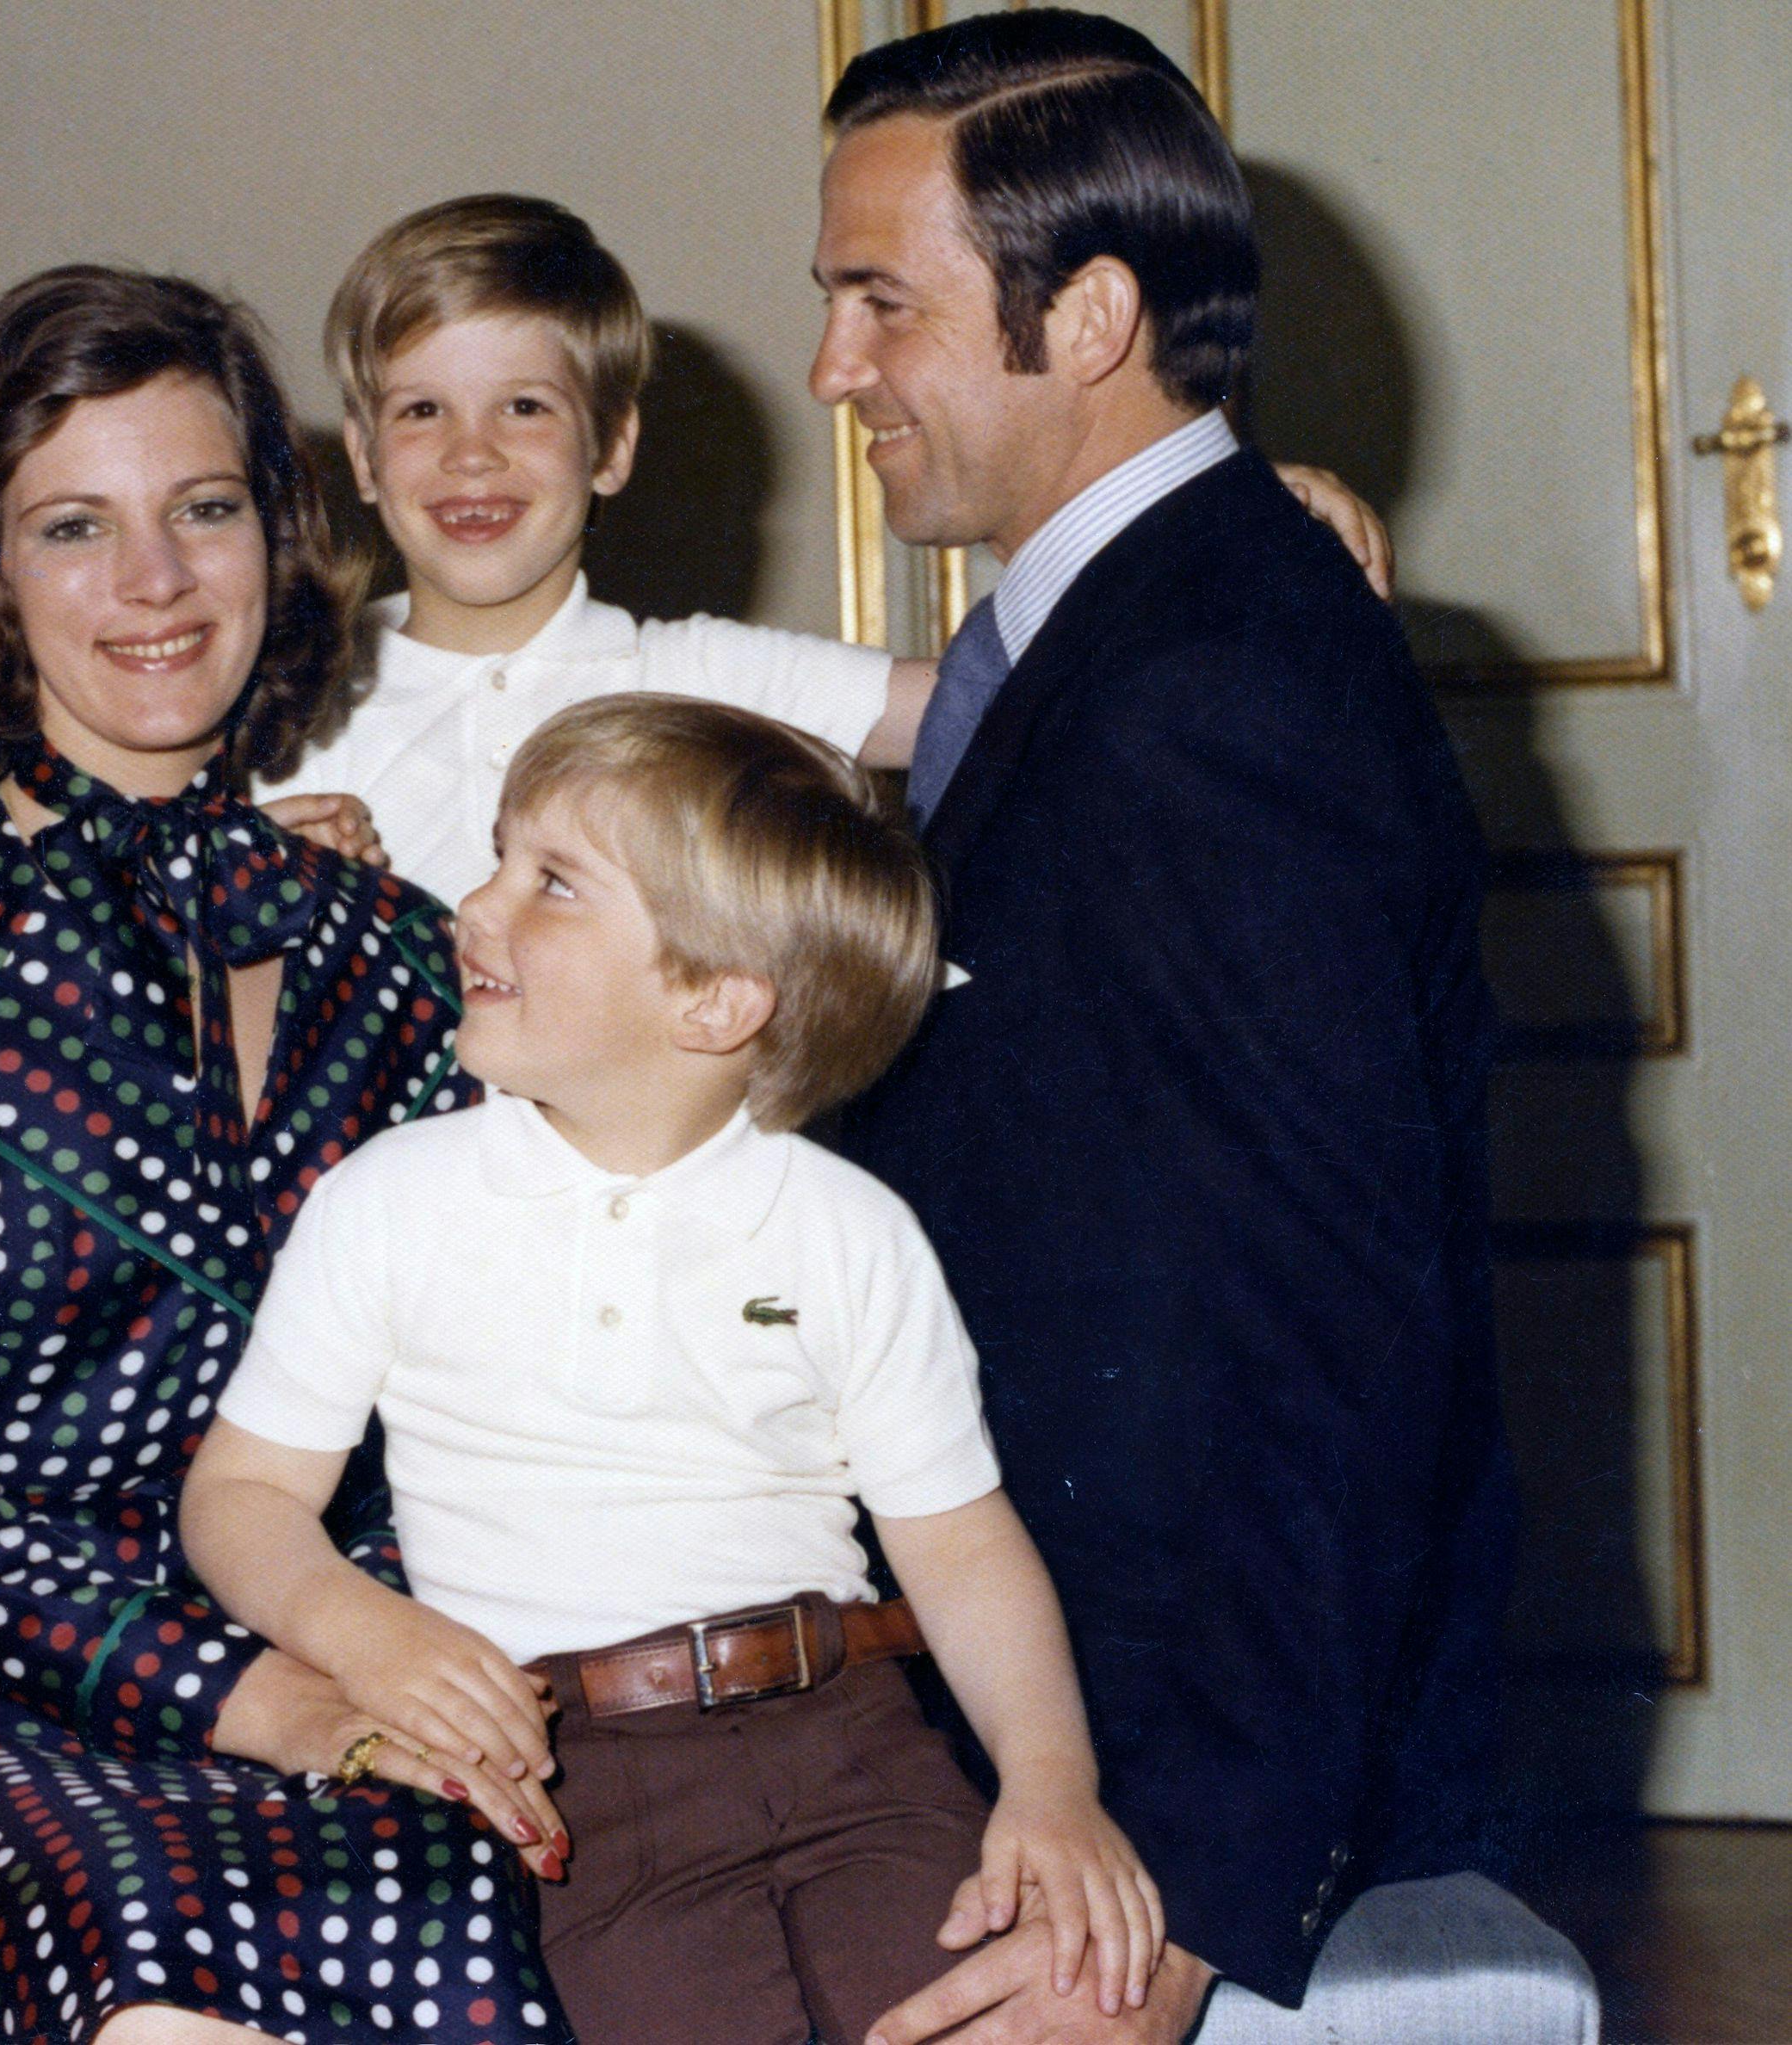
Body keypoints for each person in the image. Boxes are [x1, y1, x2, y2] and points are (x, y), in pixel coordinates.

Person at [805, 13, 1597, 2042]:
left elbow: (1320, 1338)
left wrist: (1170, 1894)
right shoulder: (1144, 615)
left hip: (1173, 1773)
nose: (835, 369)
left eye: (878, 303)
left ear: (1085, 316)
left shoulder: (1212, 685)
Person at [0, 265, 567, 2045]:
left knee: (557, 1911)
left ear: (277, 535)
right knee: (151, 1964)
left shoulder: (395, 947)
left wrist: (390, 1661)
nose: (153, 583)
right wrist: (254, 1693)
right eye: (70, 527)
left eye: (201, 510)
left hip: (365, 1648)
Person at [187, 694, 1171, 2045]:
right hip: (573, 1780)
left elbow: (957, 1542)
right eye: (496, 855)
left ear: (712, 1002)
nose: (471, 905)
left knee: (970, 2017)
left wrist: (1048, 1788)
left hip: (856, 1747)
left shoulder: (848, 1230)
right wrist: (369, 1631)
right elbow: (238, 1496)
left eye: (550, 884)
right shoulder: (389, 1201)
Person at [252, 193, 1392, 909]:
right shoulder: (281, 701)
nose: (470, 457)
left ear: (611, 446)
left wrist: (1196, 517)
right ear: (359, 455)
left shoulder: (696, 676)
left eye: (524, 411)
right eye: (419, 415)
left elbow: (1004, 697)